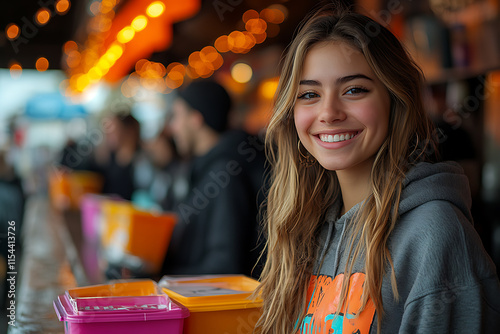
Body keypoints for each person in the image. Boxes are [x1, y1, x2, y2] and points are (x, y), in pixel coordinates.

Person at [254, 5, 500, 334]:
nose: (328, 112)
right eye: (309, 94)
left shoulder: (435, 235)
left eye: (354, 90)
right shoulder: (305, 226)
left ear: (395, 99)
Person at [162, 79, 266, 278]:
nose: (172, 127)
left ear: (196, 118)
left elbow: (224, 266)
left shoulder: (226, 173)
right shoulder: (205, 166)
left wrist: (160, 276)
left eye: (176, 117)